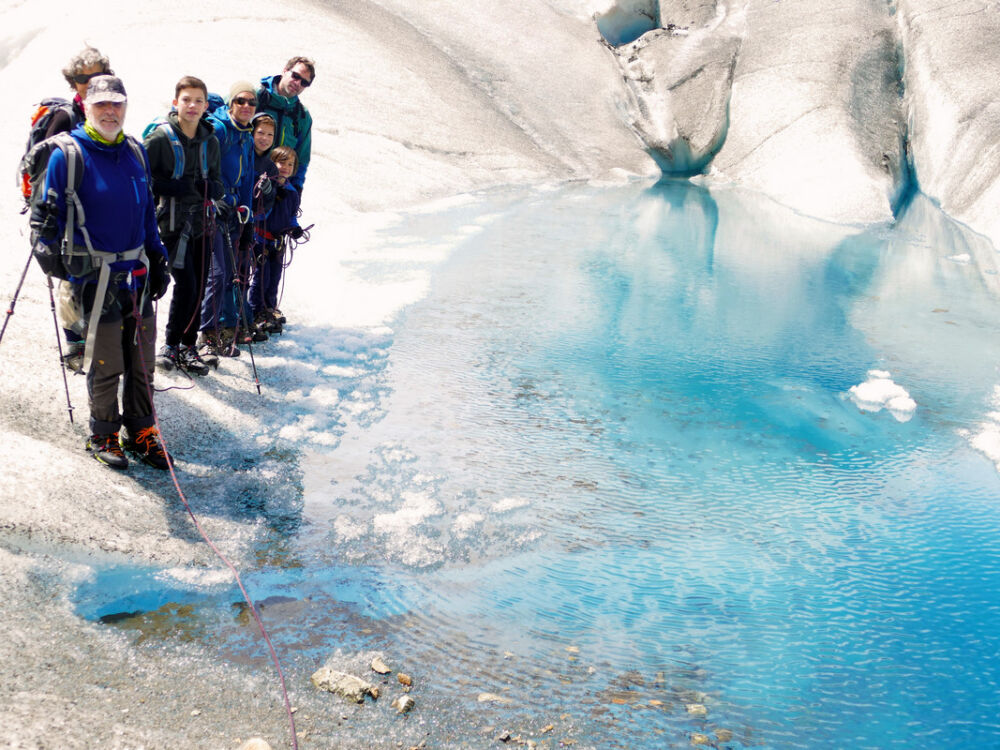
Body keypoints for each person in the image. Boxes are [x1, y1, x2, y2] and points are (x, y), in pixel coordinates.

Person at [30, 75, 171, 470]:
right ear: (87, 107)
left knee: (142, 360)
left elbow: (146, 215)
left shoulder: (135, 153)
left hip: (136, 275)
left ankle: (142, 432)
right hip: (95, 277)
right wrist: (56, 263)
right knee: (107, 361)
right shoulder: (69, 155)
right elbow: (46, 217)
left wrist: (157, 258)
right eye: (102, 105)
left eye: (117, 104)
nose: (110, 111)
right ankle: (104, 433)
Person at [144, 76, 224, 375]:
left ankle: (186, 346)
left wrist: (213, 189)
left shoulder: (211, 141)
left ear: (205, 106)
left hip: (202, 223)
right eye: (186, 100)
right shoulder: (160, 139)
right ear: (175, 102)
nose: (192, 106)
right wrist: (172, 187)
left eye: (198, 101)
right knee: (187, 284)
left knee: (198, 285)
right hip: (171, 225)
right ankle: (171, 344)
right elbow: (142, 179)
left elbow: (217, 181)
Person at [46, 47, 114, 372]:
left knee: (98, 285)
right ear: (73, 83)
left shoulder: (110, 112)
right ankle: (75, 345)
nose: (89, 83)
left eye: (97, 75)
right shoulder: (64, 119)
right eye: (82, 78)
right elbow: (49, 177)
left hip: (100, 218)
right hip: (70, 221)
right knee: (72, 283)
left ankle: (92, 344)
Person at [199, 81, 260, 353]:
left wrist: (248, 221)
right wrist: (216, 200)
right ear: (230, 103)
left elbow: (247, 179)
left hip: (235, 213)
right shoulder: (220, 130)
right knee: (218, 273)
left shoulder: (245, 135)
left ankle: (223, 327)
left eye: (251, 102)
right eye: (240, 101)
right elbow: (205, 171)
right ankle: (208, 334)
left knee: (228, 274)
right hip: (215, 212)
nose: (246, 106)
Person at [248, 146, 302, 332]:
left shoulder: (292, 192)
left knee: (275, 276)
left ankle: (269, 308)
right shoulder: (264, 187)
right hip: (261, 239)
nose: (285, 167)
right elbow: (259, 214)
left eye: (290, 164)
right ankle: (257, 310)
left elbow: (291, 215)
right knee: (262, 276)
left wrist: (294, 228)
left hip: (278, 242)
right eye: (281, 162)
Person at [256, 56, 314, 198]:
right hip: (246, 180)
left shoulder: (302, 117)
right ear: (285, 71)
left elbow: (302, 159)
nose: (298, 83)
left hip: (277, 190)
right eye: (295, 76)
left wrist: (295, 190)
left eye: (304, 82)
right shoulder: (255, 97)